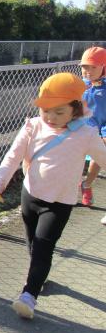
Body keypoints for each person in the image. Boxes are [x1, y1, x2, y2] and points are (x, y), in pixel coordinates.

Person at [0, 72, 106, 319]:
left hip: (59, 203)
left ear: (75, 109)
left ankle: (29, 295)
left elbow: (104, 158)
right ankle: (38, 275)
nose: (51, 118)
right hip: (30, 195)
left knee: (44, 246)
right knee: (32, 243)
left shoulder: (86, 134)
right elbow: (13, 155)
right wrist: (1, 180)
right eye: (46, 111)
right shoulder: (33, 126)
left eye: (59, 112)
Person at [78, 47, 106, 221]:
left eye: (93, 67)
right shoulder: (79, 85)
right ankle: (80, 186)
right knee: (74, 157)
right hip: (82, 127)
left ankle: (87, 184)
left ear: (103, 67)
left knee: (100, 152)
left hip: (103, 127)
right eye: (84, 67)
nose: (88, 71)